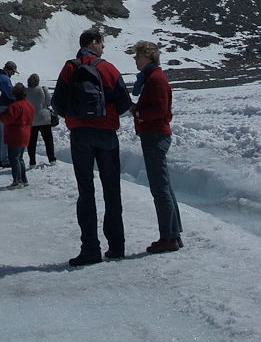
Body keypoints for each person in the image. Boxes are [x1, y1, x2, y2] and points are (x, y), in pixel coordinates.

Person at [52, 26, 131, 266]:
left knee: (86, 192)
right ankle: (116, 246)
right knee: (112, 191)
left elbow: (57, 104)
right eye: (102, 44)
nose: (103, 48)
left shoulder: (69, 68)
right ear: (94, 42)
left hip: (80, 135)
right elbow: (125, 102)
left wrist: (76, 117)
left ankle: (90, 248)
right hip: (106, 133)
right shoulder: (108, 68)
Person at [130, 41, 183, 254]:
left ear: (148, 57)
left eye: (138, 56)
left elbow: (160, 110)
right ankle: (173, 234)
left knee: (160, 188)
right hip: (154, 134)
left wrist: (138, 113)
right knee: (164, 186)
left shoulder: (156, 79)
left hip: (155, 135)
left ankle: (169, 237)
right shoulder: (152, 78)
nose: (135, 59)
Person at [0, 82, 34, 189]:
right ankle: (23, 179)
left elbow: (7, 119)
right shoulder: (29, 105)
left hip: (15, 135)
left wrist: (2, 114)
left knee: (14, 159)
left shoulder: (15, 106)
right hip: (25, 133)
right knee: (20, 158)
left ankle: (17, 181)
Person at [25, 73, 56, 167]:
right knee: (48, 140)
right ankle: (52, 159)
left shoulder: (25, 91)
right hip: (44, 119)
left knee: (31, 142)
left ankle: (32, 162)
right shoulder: (43, 89)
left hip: (31, 120)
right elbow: (49, 102)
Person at [0, 60, 17, 168]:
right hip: (4, 107)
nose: (13, 74)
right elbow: (10, 94)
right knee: (4, 133)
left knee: (0, 133)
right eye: (13, 72)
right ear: (9, 70)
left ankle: (2, 157)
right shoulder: (5, 79)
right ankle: (5, 159)